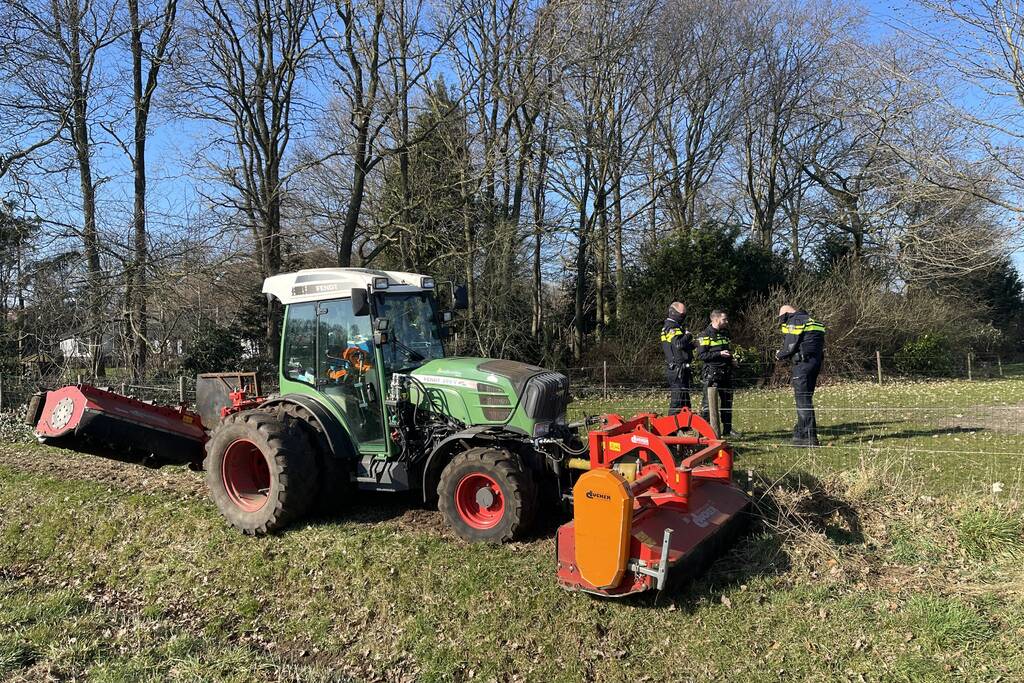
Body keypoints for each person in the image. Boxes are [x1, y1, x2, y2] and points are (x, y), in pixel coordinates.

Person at [776, 305, 826, 446]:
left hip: (802, 365)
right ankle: (800, 433)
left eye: (782, 319)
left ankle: (808, 437)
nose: (783, 323)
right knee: (806, 398)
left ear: (786, 314)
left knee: (803, 401)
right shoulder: (814, 322)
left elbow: (790, 346)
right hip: (815, 364)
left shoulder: (795, 321)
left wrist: (779, 354)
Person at [697, 309, 736, 435]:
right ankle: (705, 431)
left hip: (726, 372)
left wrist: (731, 360)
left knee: (727, 402)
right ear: (715, 319)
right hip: (712, 373)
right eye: (724, 319)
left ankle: (728, 429)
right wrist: (719, 353)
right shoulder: (704, 335)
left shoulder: (725, 333)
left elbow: (727, 351)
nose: (727, 321)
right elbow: (702, 356)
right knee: (708, 404)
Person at [661, 302, 696, 414]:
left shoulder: (675, 327)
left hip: (681, 368)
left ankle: (685, 426)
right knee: (677, 400)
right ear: (673, 313)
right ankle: (672, 429)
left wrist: (694, 344)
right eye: (682, 314)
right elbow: (678, 344)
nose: (684, 317)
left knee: (685, 399)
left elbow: (679, 347)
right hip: (677, 369)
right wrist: (688, 336)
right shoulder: (671, 327)